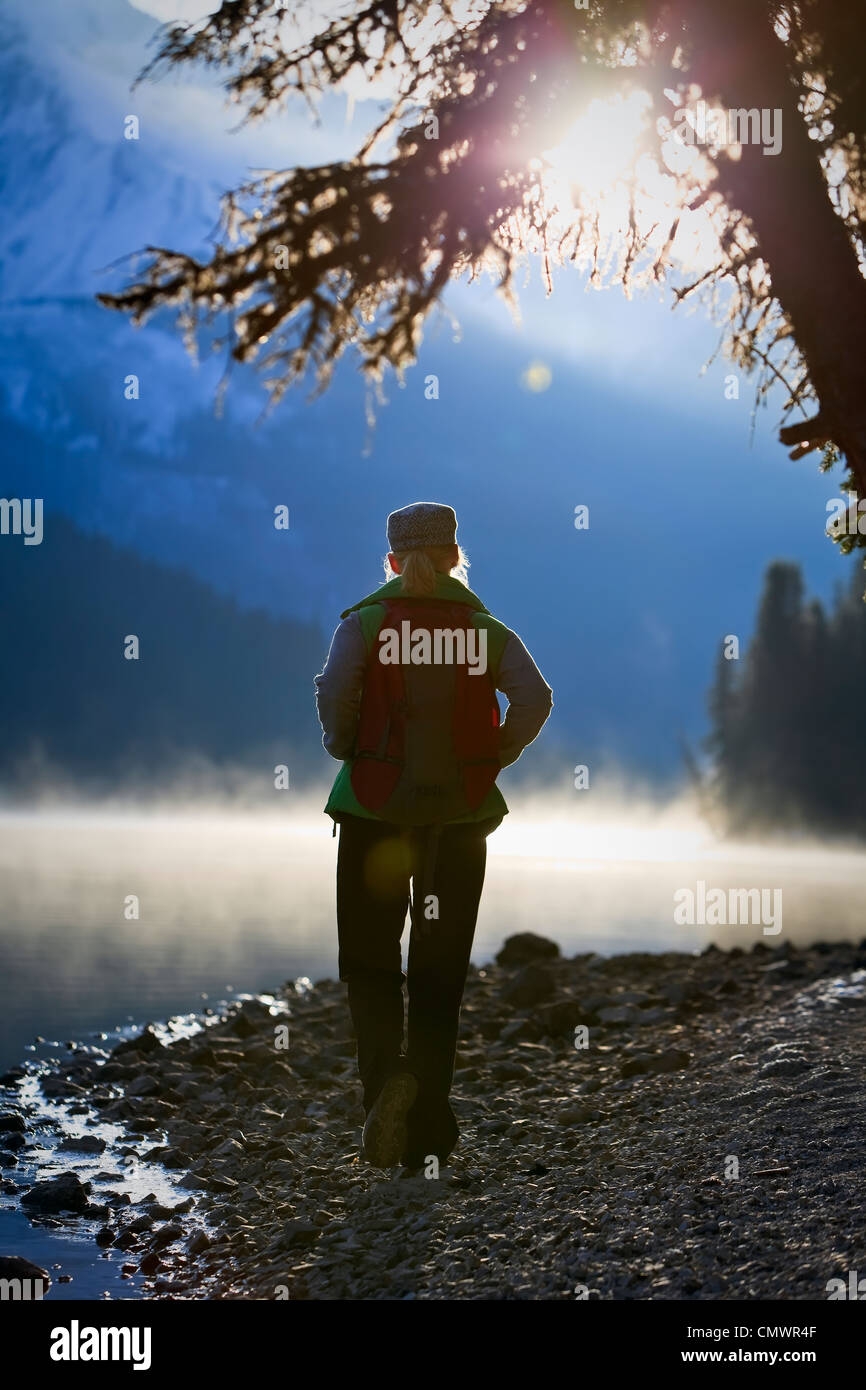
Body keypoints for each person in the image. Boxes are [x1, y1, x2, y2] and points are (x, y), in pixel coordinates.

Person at [314, 502, 552, 1169]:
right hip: (459, 819)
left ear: (391, 563)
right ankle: (427, 1129)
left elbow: (335, 693)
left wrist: (343, 746)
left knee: (369, 963)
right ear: (455, 558)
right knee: (440, 972)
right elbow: (537, 699)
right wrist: (494, 756)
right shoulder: (485, 633)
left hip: (370, 814)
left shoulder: (363, 625)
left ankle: (384, 1088)